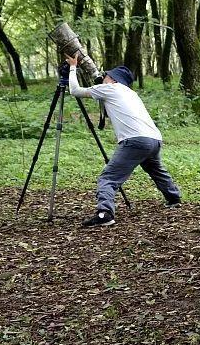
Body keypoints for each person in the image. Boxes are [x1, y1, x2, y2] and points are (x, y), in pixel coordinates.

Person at [67, 56, 182, 227]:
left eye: (106, 76)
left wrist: (73, 68)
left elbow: (75, 91)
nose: (103, 77)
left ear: (112, 79)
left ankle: (104, 214)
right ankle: (173, 197)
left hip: (135, 140)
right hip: (154, 138)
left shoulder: (110, 89)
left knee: (108, 178)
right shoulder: (130, 93)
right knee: (155, 169)